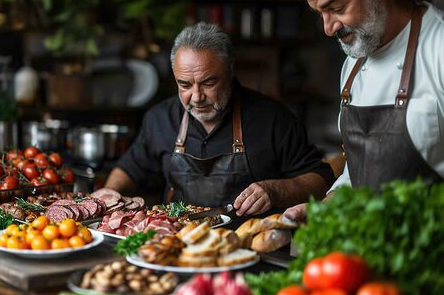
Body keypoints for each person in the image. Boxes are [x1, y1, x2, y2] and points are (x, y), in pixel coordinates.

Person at [104, 22, 335, 223]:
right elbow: (130, 169)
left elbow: (320, 180)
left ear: (230, 72)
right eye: (184, 85)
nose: (196, 97)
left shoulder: (273, 119)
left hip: (247, 244)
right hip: (176, 242)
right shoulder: (160, 118)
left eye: (208, 83)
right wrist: (108, 198)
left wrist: (275, 190)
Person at [283, 0, 444, 223]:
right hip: (363, 253)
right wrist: (329, 206)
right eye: (319, 13)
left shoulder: (438, 48)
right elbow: (359, 172)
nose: (328, 27)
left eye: (336, 8)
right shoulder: (353, 64)